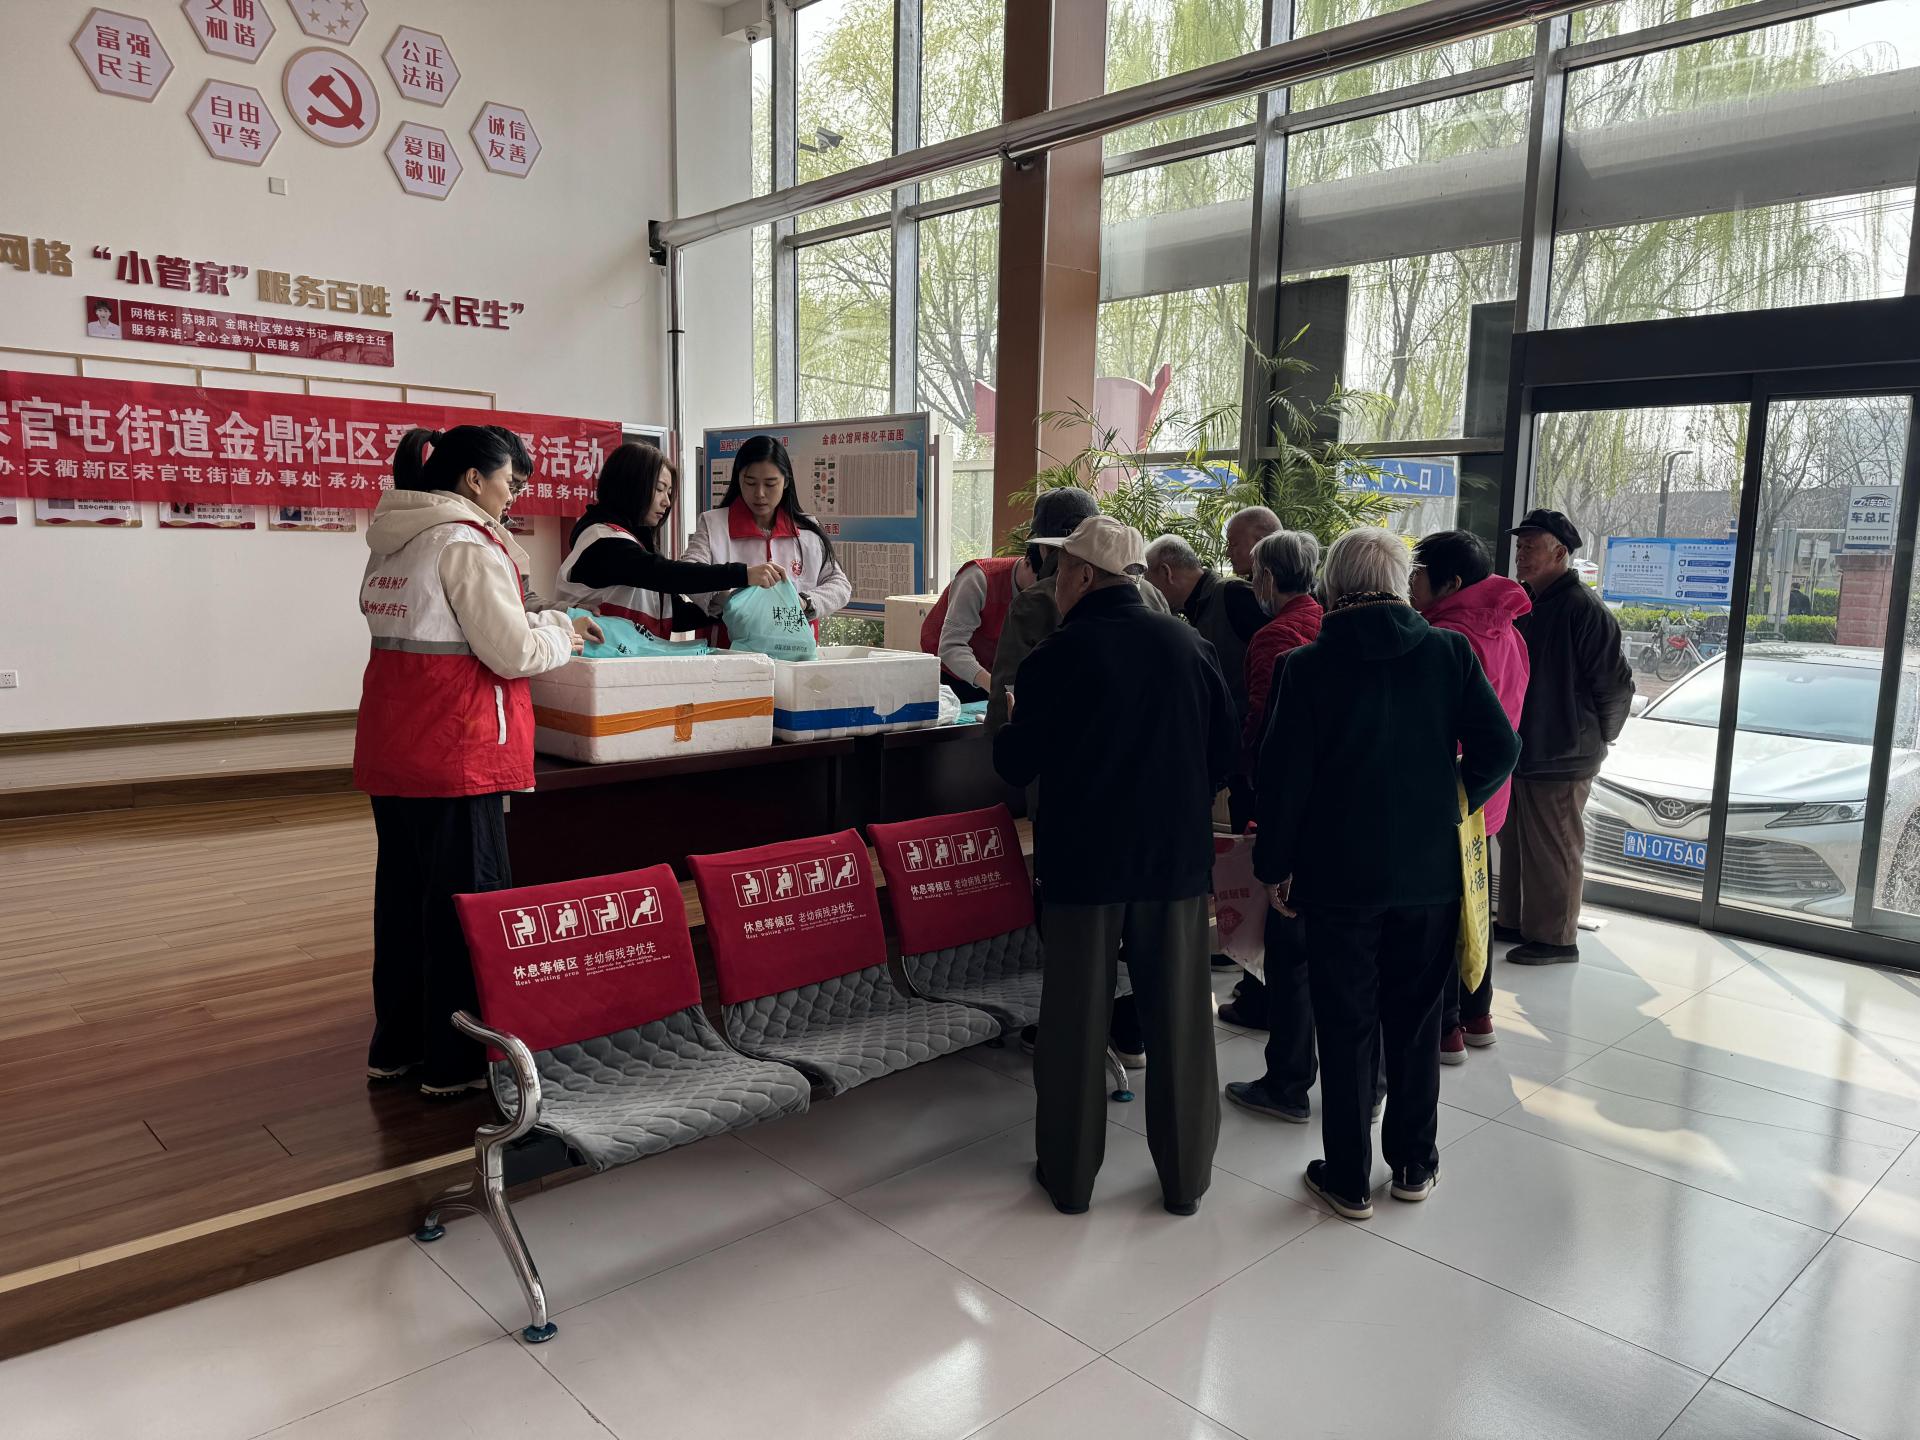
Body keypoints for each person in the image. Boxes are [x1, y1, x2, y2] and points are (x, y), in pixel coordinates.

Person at [1252, 527, 1518, 1219]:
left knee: (1345, 1024)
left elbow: (1283, 782)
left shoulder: (1305, 667)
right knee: (1417, 1022)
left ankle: (1346, 1177)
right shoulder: (1448, 652)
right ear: (1401, 583)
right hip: (1428, 875)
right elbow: (1500, 746)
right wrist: (1451, 801)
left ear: (1334, 585)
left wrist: (1274, 867)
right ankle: (1413, 1164)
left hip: (1336, 879)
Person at [993, 515, 1236, 1217]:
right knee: (1181, 1021)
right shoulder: (1188, 645)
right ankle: (1186, 1181)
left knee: (1075, 1021)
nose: (1054, 583)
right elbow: (1225, 754)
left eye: (1059, 571)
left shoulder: (1057, 655)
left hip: (1084, 866)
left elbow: (1016, 763)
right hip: (1173, 864)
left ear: (1081, 575)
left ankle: (1069, 1179)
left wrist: (1012, 717)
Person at [353, 426, 597, 1097]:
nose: (512, 495)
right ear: (472, 479)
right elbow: (511, 653)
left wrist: (545, 623)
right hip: (458, 751)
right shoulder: (465, 542)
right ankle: (456, 1065)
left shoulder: (393, 539)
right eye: (509, 482)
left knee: (404, 904)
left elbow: (449, 631)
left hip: (396, 746)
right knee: (465, 909)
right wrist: (563, 636)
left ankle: (396, 1047)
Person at [987, 486, 1169, 1068]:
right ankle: (1131, 1031)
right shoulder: (1156, 603)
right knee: (1137, 910)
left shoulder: (1037, 604)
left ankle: (1069, 1028)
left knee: (1069, 913)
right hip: (1150, 792)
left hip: (1070, 791)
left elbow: (1006, 708)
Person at [1410, 530, 1531, 1060]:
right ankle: (1478, 1015)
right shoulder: (1508, 631)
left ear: (1451, 582)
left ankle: (1447, 1028)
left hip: (1450, 796)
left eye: (1418, 573)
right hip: (1489, 795)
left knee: (1443, 918)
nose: (1410, 583)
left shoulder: (1447, 638)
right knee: (1476, 902)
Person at [1503, 509, 1634, 965]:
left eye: (1531, 546)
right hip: (1527, 746)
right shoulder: (1527, 601)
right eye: (1519, 545)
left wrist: (1598, 737)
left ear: (1560, 553)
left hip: (1563, 750)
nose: (1521, 554)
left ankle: (1557, 938)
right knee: (1519, 842)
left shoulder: (1582, 608)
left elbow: (1615, 686)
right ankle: (1516, 921)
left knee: (1555, 845)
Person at [1216, 529, 1323, 1033]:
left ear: (1268, 577)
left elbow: (1262, 719)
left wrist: (1241, 771)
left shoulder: (1274, 636)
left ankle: (1261, 997)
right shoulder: (1322, 618)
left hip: (1275, 785)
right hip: (1320, 784)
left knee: (1269, 896)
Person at [557, 442, 783, 636]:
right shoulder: (603, 542)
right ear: (630, 486)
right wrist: (743, 574)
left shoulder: (632, 542)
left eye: (669, 492)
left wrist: (735, 607)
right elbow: (666, 573)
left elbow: (674, 615)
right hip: (598, 667)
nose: (666, 502)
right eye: (659, 489)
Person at [683, 434, 852, 633]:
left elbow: (839, 585)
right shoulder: (713, 524)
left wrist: (804, 602)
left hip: (795, 647)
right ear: (738, 479)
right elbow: (688, 574)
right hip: (727, 647)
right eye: (750, 483)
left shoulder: (808, 530)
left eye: (770, 484)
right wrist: (729, 600)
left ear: (786, 482)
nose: (760, 494)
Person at [921, 553, 1033, 703]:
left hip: (993, 670)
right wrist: (995, 688)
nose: (1043, 589)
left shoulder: (1045, 592)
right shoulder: (978, 578)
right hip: (949, 668)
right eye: (1040, 580)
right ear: (1027, 563)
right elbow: (950, 648)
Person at [1224, 505, 1282, 580]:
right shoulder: (1260, 583)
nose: (1228, 553)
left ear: (1261, 543)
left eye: (1233, 544)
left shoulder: (1289, 585)